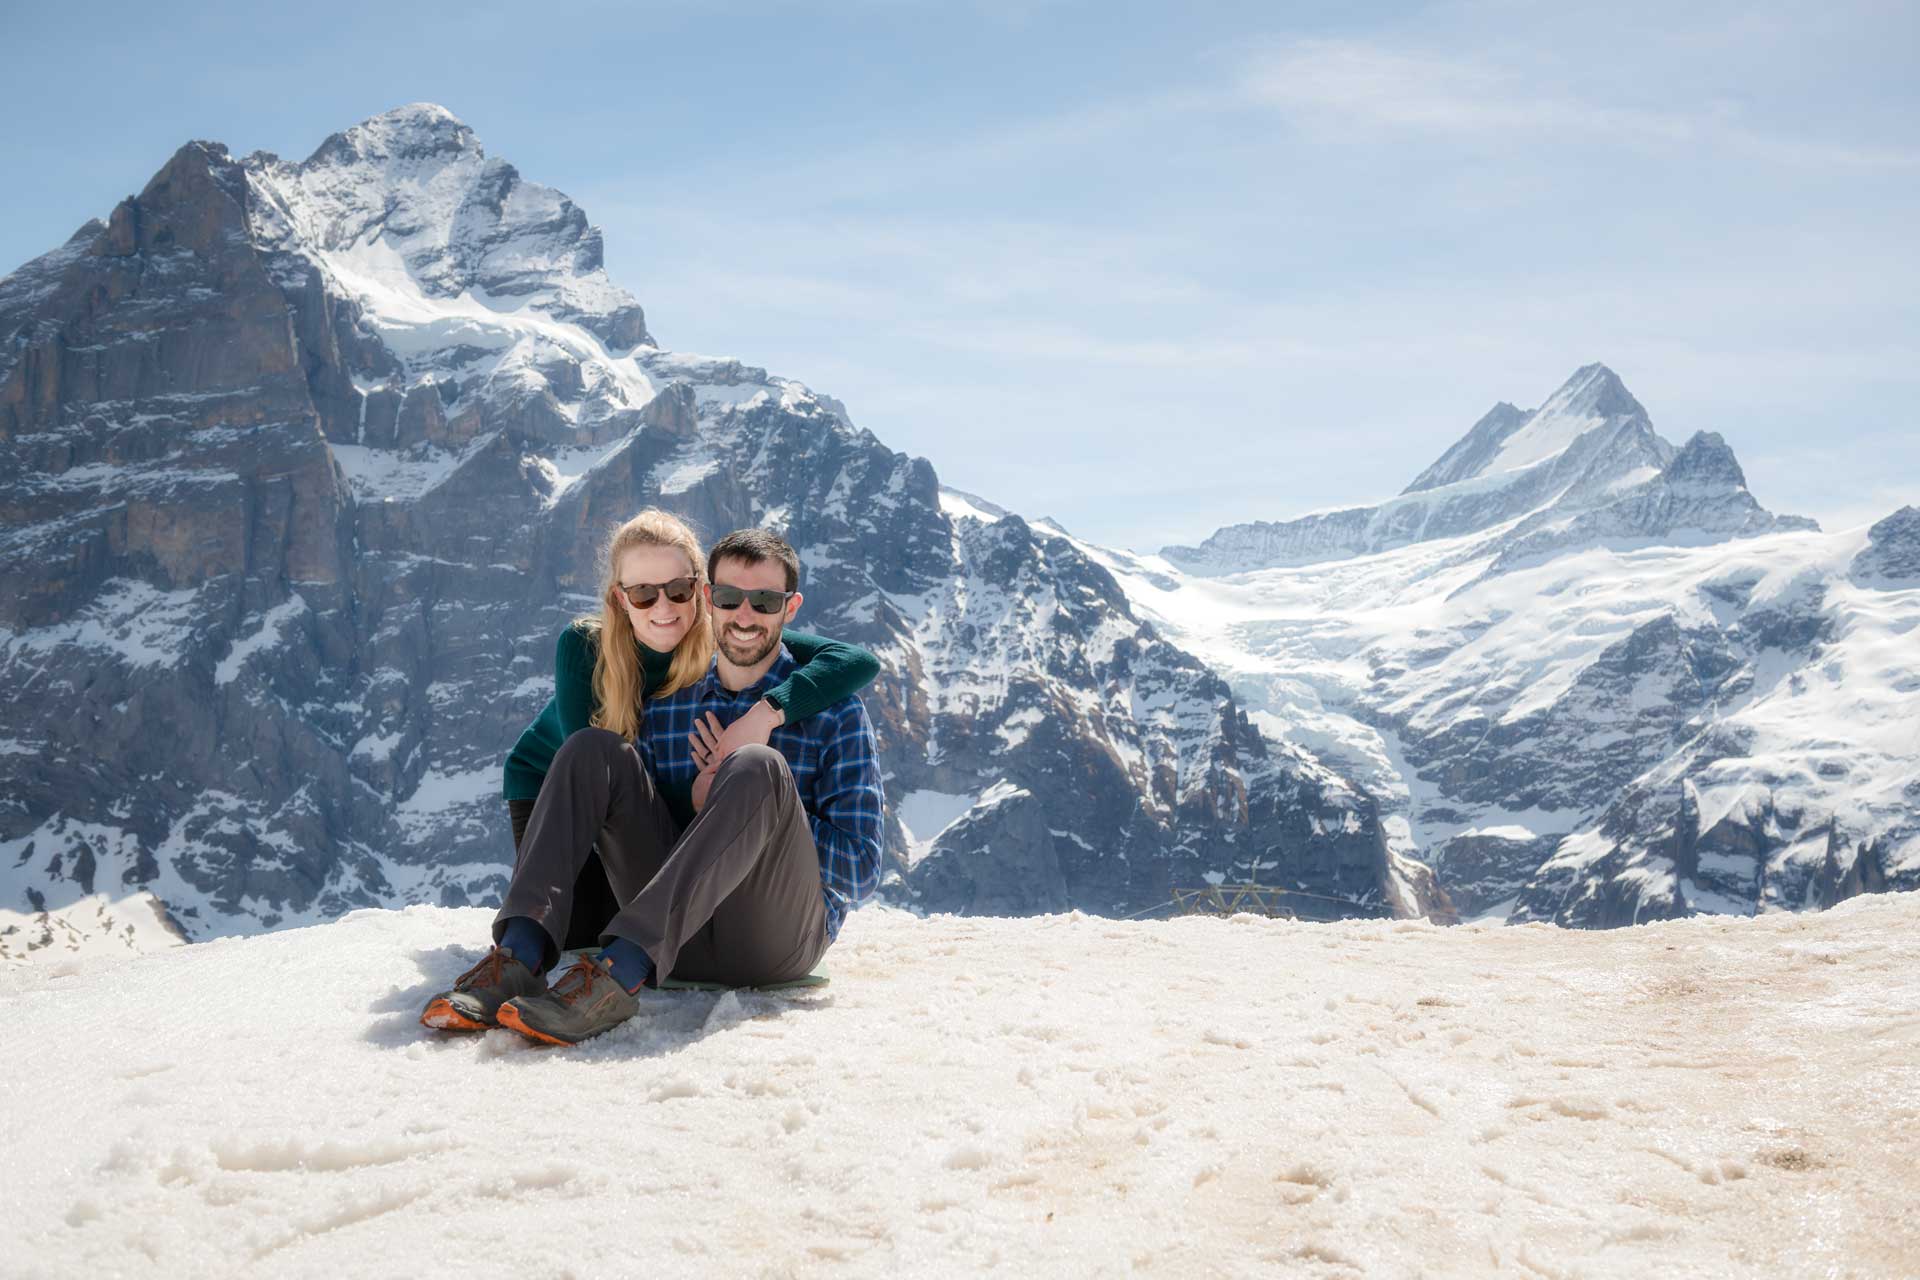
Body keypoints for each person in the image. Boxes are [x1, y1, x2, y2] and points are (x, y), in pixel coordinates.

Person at [421, 521, 886, 1046]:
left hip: (774, 942)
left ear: (791, 608)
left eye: (766, 601)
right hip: (677, 940)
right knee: (593, 747)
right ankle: (519, 957)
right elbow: (645, 830)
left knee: (757, 767)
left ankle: (614, 978)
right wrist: (695, 803)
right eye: (730, 598)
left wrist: (768, 812)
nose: (745, 616)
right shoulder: (668, 704)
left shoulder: (837, 712)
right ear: (709, 600)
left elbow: (863, 871)